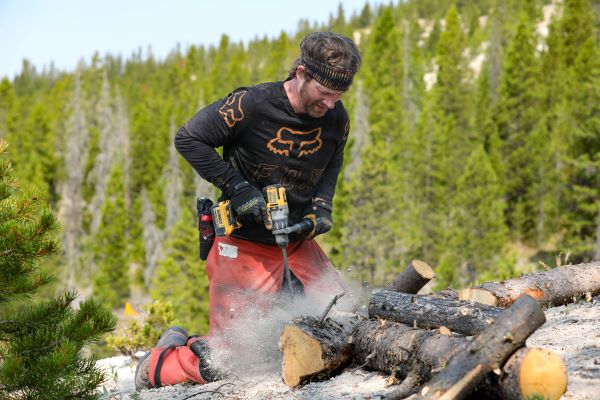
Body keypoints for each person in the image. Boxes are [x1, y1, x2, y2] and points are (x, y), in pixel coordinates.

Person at [136, 31, 362, 390]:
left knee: (344, 323)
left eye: (339, 95)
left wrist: (321, 206)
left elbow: (334, 160)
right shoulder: (252, 105)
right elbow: (188, 139)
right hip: (241, 243)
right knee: (231, 361)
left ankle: (192, 344)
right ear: (302, 73)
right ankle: (159, 364)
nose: (331, 104)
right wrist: (238, 188)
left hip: (296, 243)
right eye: (325, 93)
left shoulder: (337, 118)